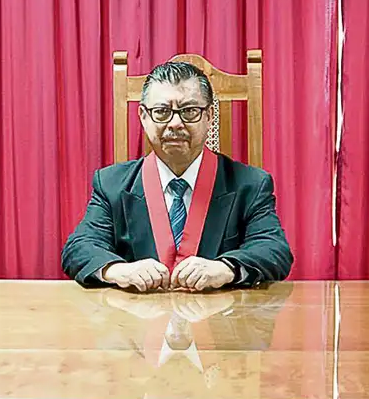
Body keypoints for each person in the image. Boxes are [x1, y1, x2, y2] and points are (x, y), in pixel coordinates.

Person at [62, 61, 293, 292]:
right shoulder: (110, 184)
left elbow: (274, 250)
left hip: (219, 320)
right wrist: (120, 270)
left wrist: (226, 269)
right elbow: (80, 247)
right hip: (135, 320)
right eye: (161, 112)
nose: (175, 123)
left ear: (209, 115)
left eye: (189, 111)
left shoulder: (250, 184)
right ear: (143, 116)